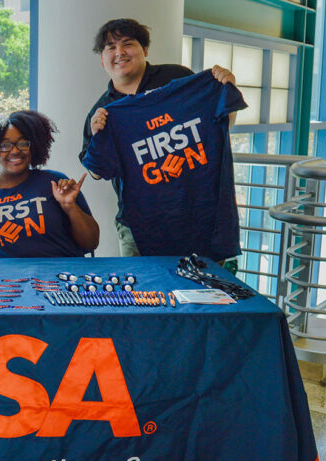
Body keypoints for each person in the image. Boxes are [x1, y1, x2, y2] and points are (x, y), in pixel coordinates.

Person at [79, 18, 239, 271]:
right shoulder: (103, 113)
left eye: (127, 44)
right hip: (141, 227)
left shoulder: (179, 79)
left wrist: (226, 85)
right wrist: (98, 133)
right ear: (102, 59)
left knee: (208, 295)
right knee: (146, 299)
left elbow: (222, 122)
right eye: (110, 47)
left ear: (145, 50)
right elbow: (97, 171)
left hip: (199, 213)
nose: (119, 52)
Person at [0, 110, 99, 258]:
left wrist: (70, 206)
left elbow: (91, 243)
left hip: (61, 277)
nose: (16, 151)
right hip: (4, 280)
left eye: (23, 143)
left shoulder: (56, 184)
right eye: (5, 145)